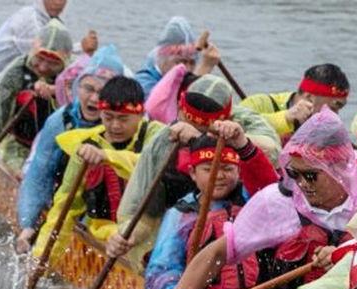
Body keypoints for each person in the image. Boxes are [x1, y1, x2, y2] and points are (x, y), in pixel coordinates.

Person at [134, 106, 357, 289]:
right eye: (294, 174)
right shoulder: (276, 202)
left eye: (310, 175)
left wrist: (344, 255)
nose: (302, 184)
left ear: (338, 168)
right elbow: (215, 254)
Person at [106, 74, 281, 265]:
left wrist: (204, 140)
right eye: (189, 125)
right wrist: (126, 237)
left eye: (204, 129)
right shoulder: (164, 144)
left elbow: (272, 152)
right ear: (180, 111)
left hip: (240, 228)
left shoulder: (242, 125)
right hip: (184, 229)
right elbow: (141, 213)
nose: (219, 175)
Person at [29, 77, 163, 262]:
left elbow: (150, 165)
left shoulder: (156, 134)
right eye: (108, 117)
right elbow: (65, 207)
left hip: (151, 226)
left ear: (141, 114)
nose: (115, 126)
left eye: (123, 119)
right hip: (106, 230)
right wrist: (42, 257)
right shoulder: (86, 147)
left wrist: (107, 156)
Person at [144, 134, 279, 289]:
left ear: (238, 171)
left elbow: (275, 189)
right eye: (209, 169)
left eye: (227, 169)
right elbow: (161, 270)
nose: (219, 176)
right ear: (192, 173)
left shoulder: (252, 198)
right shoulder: (182, 214)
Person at [15, 44, 124, 253]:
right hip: (67, 197)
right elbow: (39, 174)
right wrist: (28, 225)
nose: (94, 99)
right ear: (77, 87)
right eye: (89, 89)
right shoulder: (59, 121)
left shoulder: (124, 126)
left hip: (107, 207)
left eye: (102, 93)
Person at [0, 20, 72, 179]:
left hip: (59, 150)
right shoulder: (17, 72)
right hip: (20, 149)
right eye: (39, 59)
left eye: (52, 63)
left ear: (65, 61)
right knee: (28, 176)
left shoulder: (73, 77)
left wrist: (56, 91)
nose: (42, 68)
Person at [0, 0, 66, 106]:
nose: (57, 3)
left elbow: (59, 51)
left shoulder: (50, 21)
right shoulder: (32, 23)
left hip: (17, 80)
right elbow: (49, 57)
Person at [238, 64, 351, 144]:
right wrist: (285, 118)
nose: (336, 115)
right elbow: (233, 128)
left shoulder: (328, 128)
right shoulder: (259, 103)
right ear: (310, 98)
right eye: (334, 107)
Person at [133, 17, 199, 96]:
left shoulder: (179, 82)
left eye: (192, 63)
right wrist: (205, 68)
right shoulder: (143, 82)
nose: (187, 69)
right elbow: (159, 104)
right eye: (181, 62)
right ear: (163, 58)